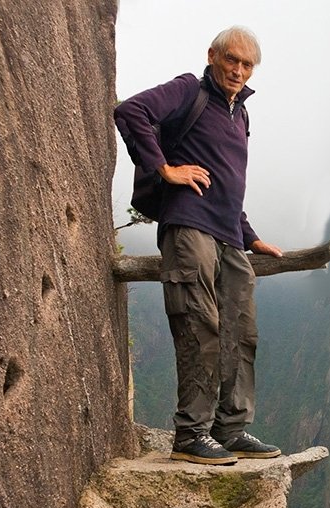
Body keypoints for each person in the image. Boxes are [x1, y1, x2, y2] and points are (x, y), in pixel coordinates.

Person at [114, 26, 282, 465]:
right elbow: (131, 111)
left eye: (247, 65)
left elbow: (228, 182)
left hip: (229, 235)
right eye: (233, 60)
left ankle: (230, 429)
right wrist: (164, 168)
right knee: (199, 325)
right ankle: (192, 434)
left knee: (240, 331)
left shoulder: (240, 115)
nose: (239, 71)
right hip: (188, 227)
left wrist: (250, 235)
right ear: (213, 56)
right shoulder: (189, 90)